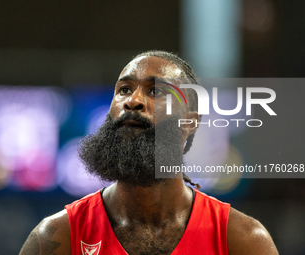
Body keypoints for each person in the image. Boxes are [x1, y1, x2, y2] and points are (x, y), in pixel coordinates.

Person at [19, 50, 279, 255]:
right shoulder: (59, 236)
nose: (132, 101)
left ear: (189, 122)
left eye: (155, 91)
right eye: (124, 89)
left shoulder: (242, 239)